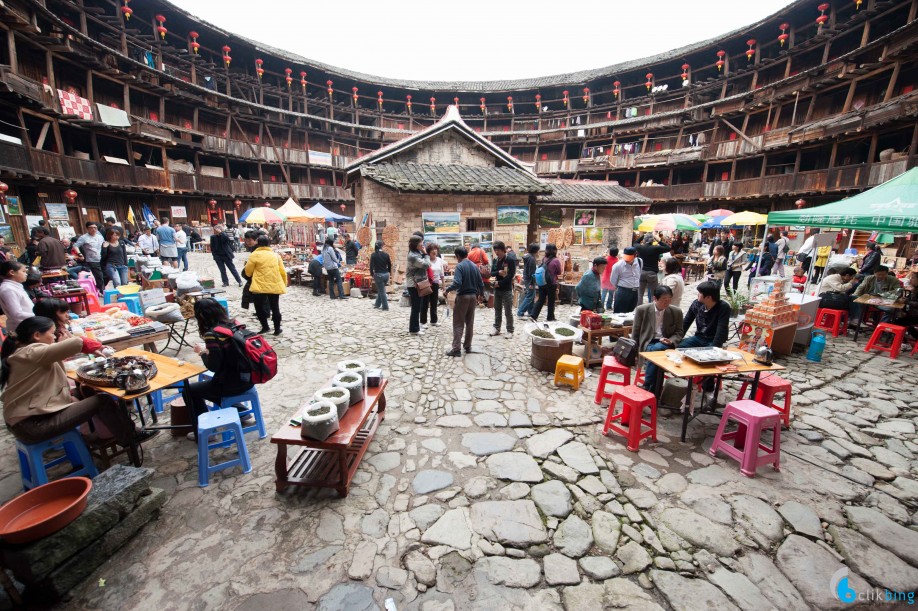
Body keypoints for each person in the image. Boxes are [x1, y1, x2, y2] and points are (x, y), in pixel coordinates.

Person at [1, 315, 151, 447]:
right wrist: (71, 341)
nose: (54, 337)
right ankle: (130, 437)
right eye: (53, 334)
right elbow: (75, 344)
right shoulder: (30, 352)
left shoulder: (23, 353)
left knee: (84, 390)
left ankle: (102, 434)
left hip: (32, 419)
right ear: (36, 335)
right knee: (102, 400)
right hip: (33, 425)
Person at [181, 299, 257, 441]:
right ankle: (242, 412)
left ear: (202, 316)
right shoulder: (234, 324)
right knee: (211, 385)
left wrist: (202, 352)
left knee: (189, 391)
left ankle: (207, 433)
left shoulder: (212, 334)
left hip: (232, 384)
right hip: (248, 379)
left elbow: (214, 367)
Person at [632, 286, 684, 392]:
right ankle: (654, 391)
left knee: (656, 350)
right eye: (664, 300)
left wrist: (671, 340)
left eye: (669, 299)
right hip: (648, 341)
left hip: (665, 342)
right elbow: (636, 332)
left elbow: (679, 332)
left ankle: (648, 386)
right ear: (655, 298)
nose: (667, 302)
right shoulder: (642, 310)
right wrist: (635, 351)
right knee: (655, 354)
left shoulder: (676, 312)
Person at [444, 247, 484, 356]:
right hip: (473, 297)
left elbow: (457, 283)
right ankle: (468, 346)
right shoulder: (474, 266)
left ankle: (456, 349)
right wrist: (481, 294)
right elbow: (481, 283)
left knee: (458, 323)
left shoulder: (460, 266)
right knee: (469, 323)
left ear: (457, 256)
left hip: (463, 297)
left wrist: (447, 289)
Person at [244, 235, 287, 336]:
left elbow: (248, 272)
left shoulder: (254, 255)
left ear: (258, 243)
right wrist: (284, 284)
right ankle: (277, 329)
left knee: (259, 308)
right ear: (269, 244)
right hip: (274, 284)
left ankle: (265, 327)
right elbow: (283, 272)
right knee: (275, 307)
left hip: (259, 286)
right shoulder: (276, 256)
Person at [682, 280, 732, 350]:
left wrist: (713, 349)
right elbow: (686, 322)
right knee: (678, 346)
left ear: (708, 297)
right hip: (698, 338)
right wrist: (676, 339)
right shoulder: (696, 304)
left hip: (713, 340)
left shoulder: (723, 307)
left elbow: (721, 329)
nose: (698, 294)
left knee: (706, 355)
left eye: (700, 293)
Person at [489, 241, 517, 337]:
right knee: (497, 309)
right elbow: (492, 273)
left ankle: (510, 330)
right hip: (497, 289)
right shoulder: (495, 260)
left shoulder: (510, 260)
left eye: (498, 250)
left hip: (507, 289)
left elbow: (511, 275)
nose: (497, 252)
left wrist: (499, 283)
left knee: (508, 311)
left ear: (503, 250)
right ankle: (497, 328)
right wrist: (498, 273)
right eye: (495, 250)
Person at [531, 244, 563, 322]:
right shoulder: (556, 260)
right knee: (551, 301)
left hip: (542, 283)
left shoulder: (544, 259)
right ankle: (550, 317)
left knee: (541, 299)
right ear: (555, 251)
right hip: (551, 283)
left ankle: (533, 315)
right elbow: (559, 272)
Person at [405, 236, 431, 334]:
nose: (422, 245)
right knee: (416, 307)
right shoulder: (413, 256)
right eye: (421, 243)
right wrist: (426, 254)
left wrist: (424, 254)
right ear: (416, 244)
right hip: (414, 284)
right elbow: (426, 265)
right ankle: (414, 329)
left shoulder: (416, 253)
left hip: (418, 282)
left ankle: (416, 327)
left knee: (418, 306)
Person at [637, 236, 671, 304]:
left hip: (642, 272)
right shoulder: (656, 248)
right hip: (652, 272)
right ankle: (653, 308)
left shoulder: (640, 247)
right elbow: (668, 248)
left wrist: (642, 236)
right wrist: (659, 240)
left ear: (644, 241)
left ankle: (639, 308)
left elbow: (635, 242)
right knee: (654, 293)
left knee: (640, 293)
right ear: (652, 241)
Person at [0, 261, 33, 331]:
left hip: (28, 324)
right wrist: (38, 315)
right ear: (12, 272)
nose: (26, 274)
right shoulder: (8, 289)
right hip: (22, 327)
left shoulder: (14, 286)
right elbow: (17, 314)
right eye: (23, 271)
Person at [608, 246, 643, 314]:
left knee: (630, 313)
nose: (627, 260)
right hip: (623, 291)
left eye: (629, 258)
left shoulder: (639, 262)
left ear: (635, 255)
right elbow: (613, 280)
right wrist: (620, 287)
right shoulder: (618, 265)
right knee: (619, 313)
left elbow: (639, 274)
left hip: (635, 291)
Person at [74, 222, 105, 293]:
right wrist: (79, 254)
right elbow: (76, 246)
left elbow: (104, 245)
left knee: (106, 274)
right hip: (92, 260)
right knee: (99, 275)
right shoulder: (84, 237)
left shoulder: (100, 236)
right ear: (87, 229)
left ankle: (99, 287)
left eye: (95, 228)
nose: (93, 229)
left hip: (102, 258)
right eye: (91, 228)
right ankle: (102, 291)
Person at [422, 243, 445, 327]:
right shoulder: (426, 260)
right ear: (429, 251)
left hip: (435, 283)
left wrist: (443, 285)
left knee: (434, 303)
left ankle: (434, 320)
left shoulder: (439, 260)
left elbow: (442, 274)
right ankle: (423, 322)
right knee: (425, 303)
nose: (435, 251)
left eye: (436, 249)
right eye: (432, 249)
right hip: (427, 283)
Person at [517, 243, 540, 320]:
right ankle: (520, 312)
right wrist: (532, 283)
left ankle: (531, 312)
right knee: (529, 297)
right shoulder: (532, 259)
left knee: (532, 296)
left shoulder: (528, 257)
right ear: (535, 251)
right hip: (530, 280)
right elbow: (532, 273)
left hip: (527, 278)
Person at [369, 241, 391, 310]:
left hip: (378, 275)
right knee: (381, 289)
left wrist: (372, 274)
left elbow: (371, 266)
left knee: (382, 291)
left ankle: (385, 307)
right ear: (382, 246)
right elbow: (390, 265)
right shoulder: (386, 254)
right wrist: (389, 273)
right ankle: (377, 304)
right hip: (386, 275)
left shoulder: (373, 255)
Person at [601, 246, 619, 310]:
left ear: (610, 252)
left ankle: (601, 305)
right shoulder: (617, 261)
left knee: (603, 293)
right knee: (611, 294)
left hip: (605, 278)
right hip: (613, 280)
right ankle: (609, 306)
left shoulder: (606, 259)